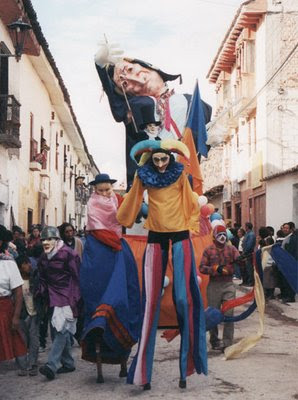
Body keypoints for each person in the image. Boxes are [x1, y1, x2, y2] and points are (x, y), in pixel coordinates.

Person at [117, 139, 207, 390]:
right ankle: (143, 374)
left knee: (184, 299)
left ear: (170, 158)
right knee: (150, 303)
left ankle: (186, 368)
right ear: (150, 160)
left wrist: (192, 226)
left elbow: (191, 202)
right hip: (155, 236)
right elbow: (134, 199)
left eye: (163, 159)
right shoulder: (143, 176)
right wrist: (122, 219)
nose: (159, 164)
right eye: (155, 160)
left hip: (179, 235)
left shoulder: (180, 175)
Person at [94, 42, 212, 187]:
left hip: (185, 182)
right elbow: (117, 107)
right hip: (152, 186)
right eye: (125, 84)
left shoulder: (193, 101)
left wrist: (211, 136)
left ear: (148, 66)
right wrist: (100, 66)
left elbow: (200, 143)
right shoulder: (138, 108)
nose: (137, 80)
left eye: (130, 69)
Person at [80, 173, 141, 383]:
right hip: (100, 251)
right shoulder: (92, 205)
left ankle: (123, 353)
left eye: (108, 189)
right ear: (95, 190)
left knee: (128, 289)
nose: (105, 193)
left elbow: (131, 210)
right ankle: (98, 326)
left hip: (117, 248)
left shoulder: (117, 199)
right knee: (98, 290)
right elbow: (98, 230)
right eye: (101, 190)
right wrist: (116, 245)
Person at [37, 226, 81, 380]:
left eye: (49, 239)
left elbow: (76, 277)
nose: (46, 242)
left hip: (66, 296)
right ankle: (68, 363)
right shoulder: (44, 257)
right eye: (43, 239)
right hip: (51, 297)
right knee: (57, 331)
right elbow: (42, 277)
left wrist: (75, 298)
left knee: (61, 330)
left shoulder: (69, 254)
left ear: (57, 240)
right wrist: (41, 292)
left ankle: (51, 365)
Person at [200, 225, 240, 352]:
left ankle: (228, 342)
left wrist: (243, 260)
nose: (222, 237)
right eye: (219, 235)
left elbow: (239, 260)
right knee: (213, 314)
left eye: (224, 235)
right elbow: (201, 267)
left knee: (229, 314)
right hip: (214, 286)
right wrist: (215, 268)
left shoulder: (232, 249)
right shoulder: (208, 250)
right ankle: (214, 340)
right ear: (214, 236)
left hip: (228, 284)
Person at [0, 225, 27, 373]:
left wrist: (16, 317)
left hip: (4, 308)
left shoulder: (9, 263)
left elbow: (18, 292)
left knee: (13, 340)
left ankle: (24, 366)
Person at [15, 255, 41, 376]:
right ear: (20, 267)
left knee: (34, 339)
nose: (29, 265)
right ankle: (23, 365)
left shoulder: (34, 278)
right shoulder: (16, 282)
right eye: (26, 263)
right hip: (22, 314)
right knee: (23, 340)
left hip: (34, 313)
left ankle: (33, 364)